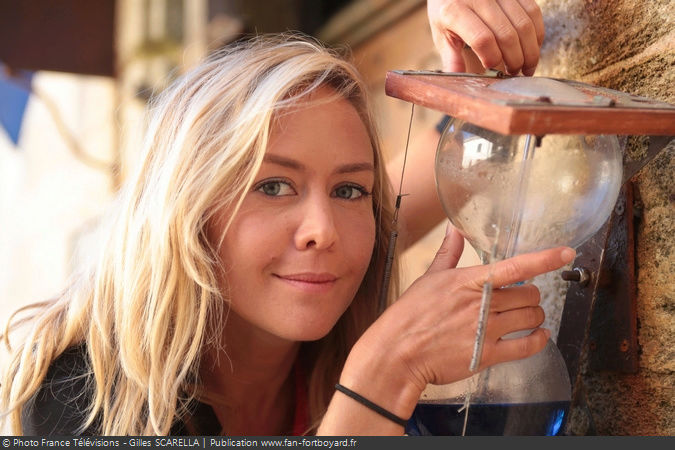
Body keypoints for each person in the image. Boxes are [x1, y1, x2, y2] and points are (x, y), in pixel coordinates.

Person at [1, 0, 564, 436]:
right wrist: (385, 374)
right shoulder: (79, 391)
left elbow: (455, 150)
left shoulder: (340, 251)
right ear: (186, 210)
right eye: (272, 185)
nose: (323, 229)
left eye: (349, 189)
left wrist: (472, 38)